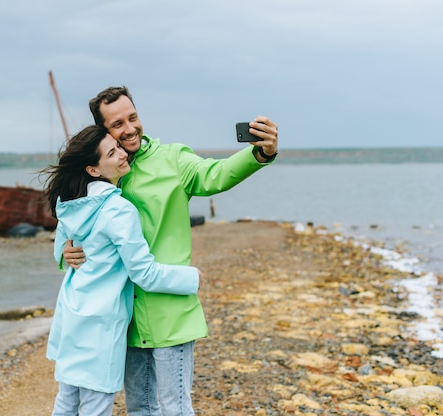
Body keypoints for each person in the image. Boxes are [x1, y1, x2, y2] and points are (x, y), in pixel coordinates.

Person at [64, 87, 279, 415]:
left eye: (133, 117)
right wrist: (65, 254)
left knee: (174, 409)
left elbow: (214, 175)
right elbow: (73, 226)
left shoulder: (173, 159)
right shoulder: (102, 175)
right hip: (125, 315)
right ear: (103, 132)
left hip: (170, 310)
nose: (130, 128)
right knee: (139, 408)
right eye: (118, 124)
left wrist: (259, 154)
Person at [42, 124, 203, 416]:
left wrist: (67, 253)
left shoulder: (70, 204)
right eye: (111, 152)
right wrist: (192, 278)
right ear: (93, 169)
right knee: (95, 406)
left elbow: (61, 256)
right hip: (101, 324)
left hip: (70, 315)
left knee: (66, 401)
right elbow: (144, 274)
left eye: (118, 148)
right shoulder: (117, 209)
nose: (122, 155)